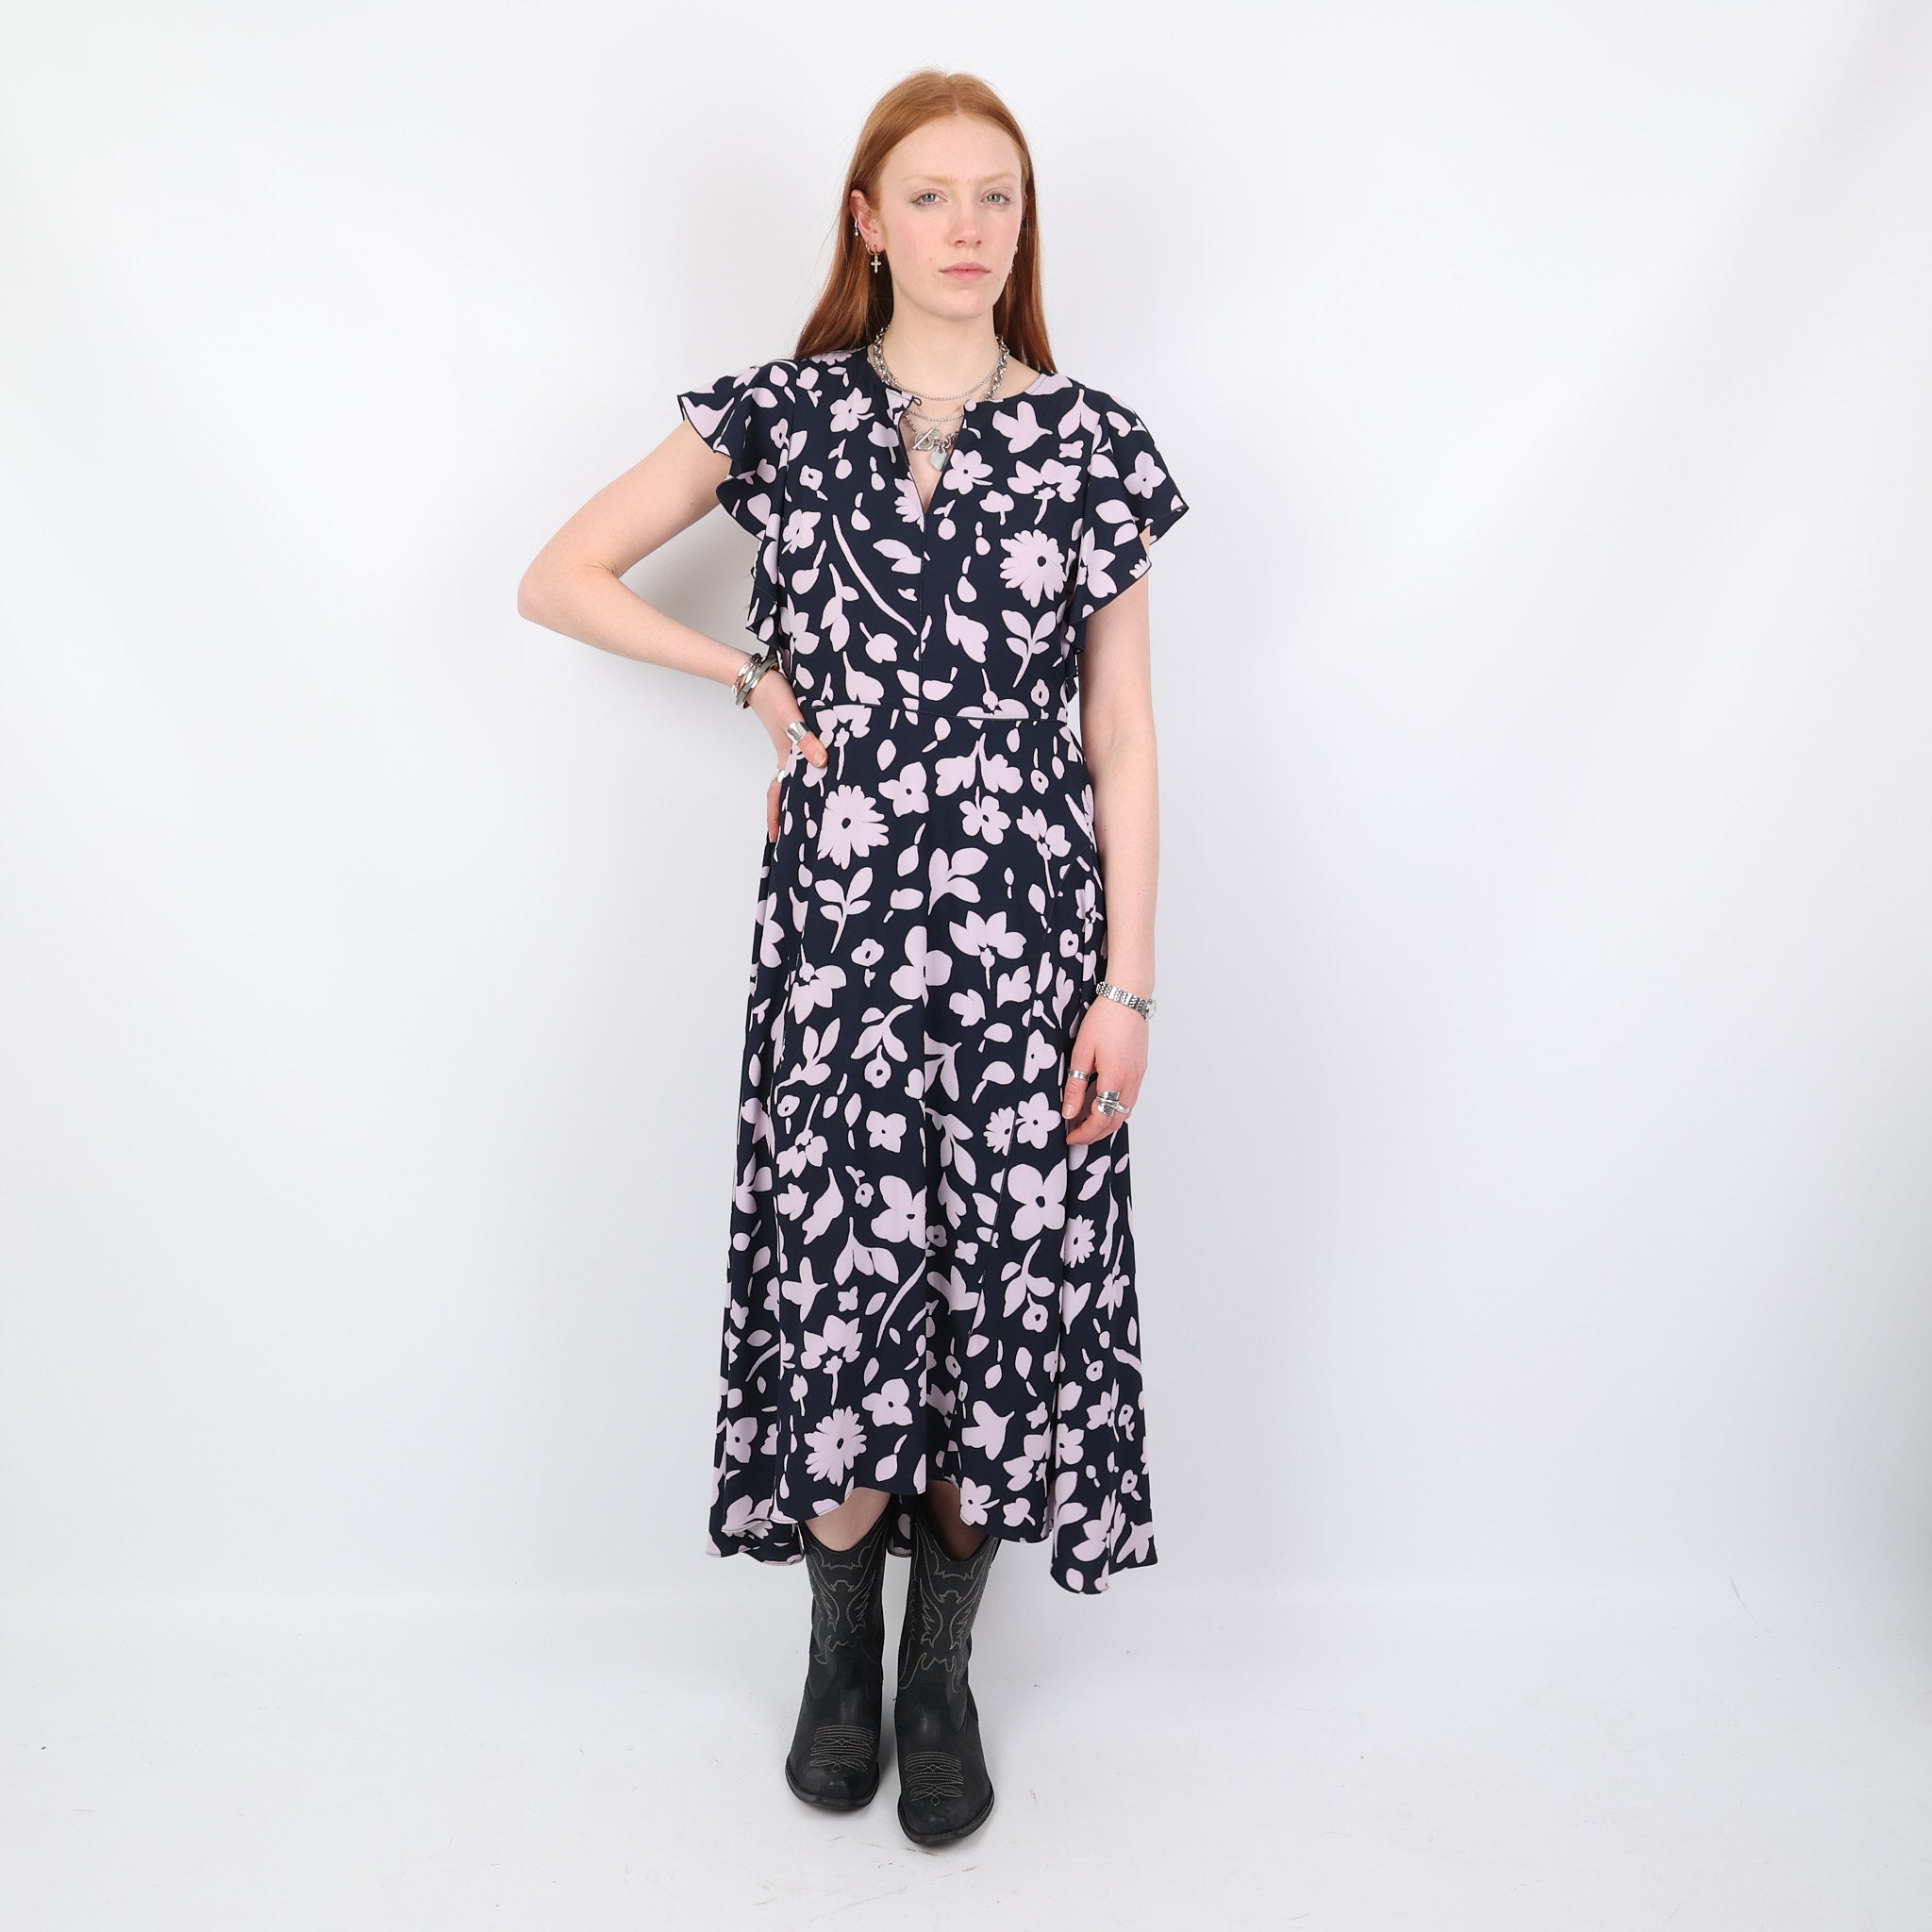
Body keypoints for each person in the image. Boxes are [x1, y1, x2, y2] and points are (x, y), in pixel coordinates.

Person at [516, 69, 1188, 1847]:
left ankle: (937, 1672)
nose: (971, 228)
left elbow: (1123, 733)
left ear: (1022, 227)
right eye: (934, 195)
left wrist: (1127, 985)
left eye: (999, 196)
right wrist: (750, 678)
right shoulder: (785, 416)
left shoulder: (1097, 446)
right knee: (842, 1270)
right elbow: (561, 575)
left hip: (1030, 933)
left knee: (998, 1291)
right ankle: (838, 1653)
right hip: (841, 938)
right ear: (868, 222)